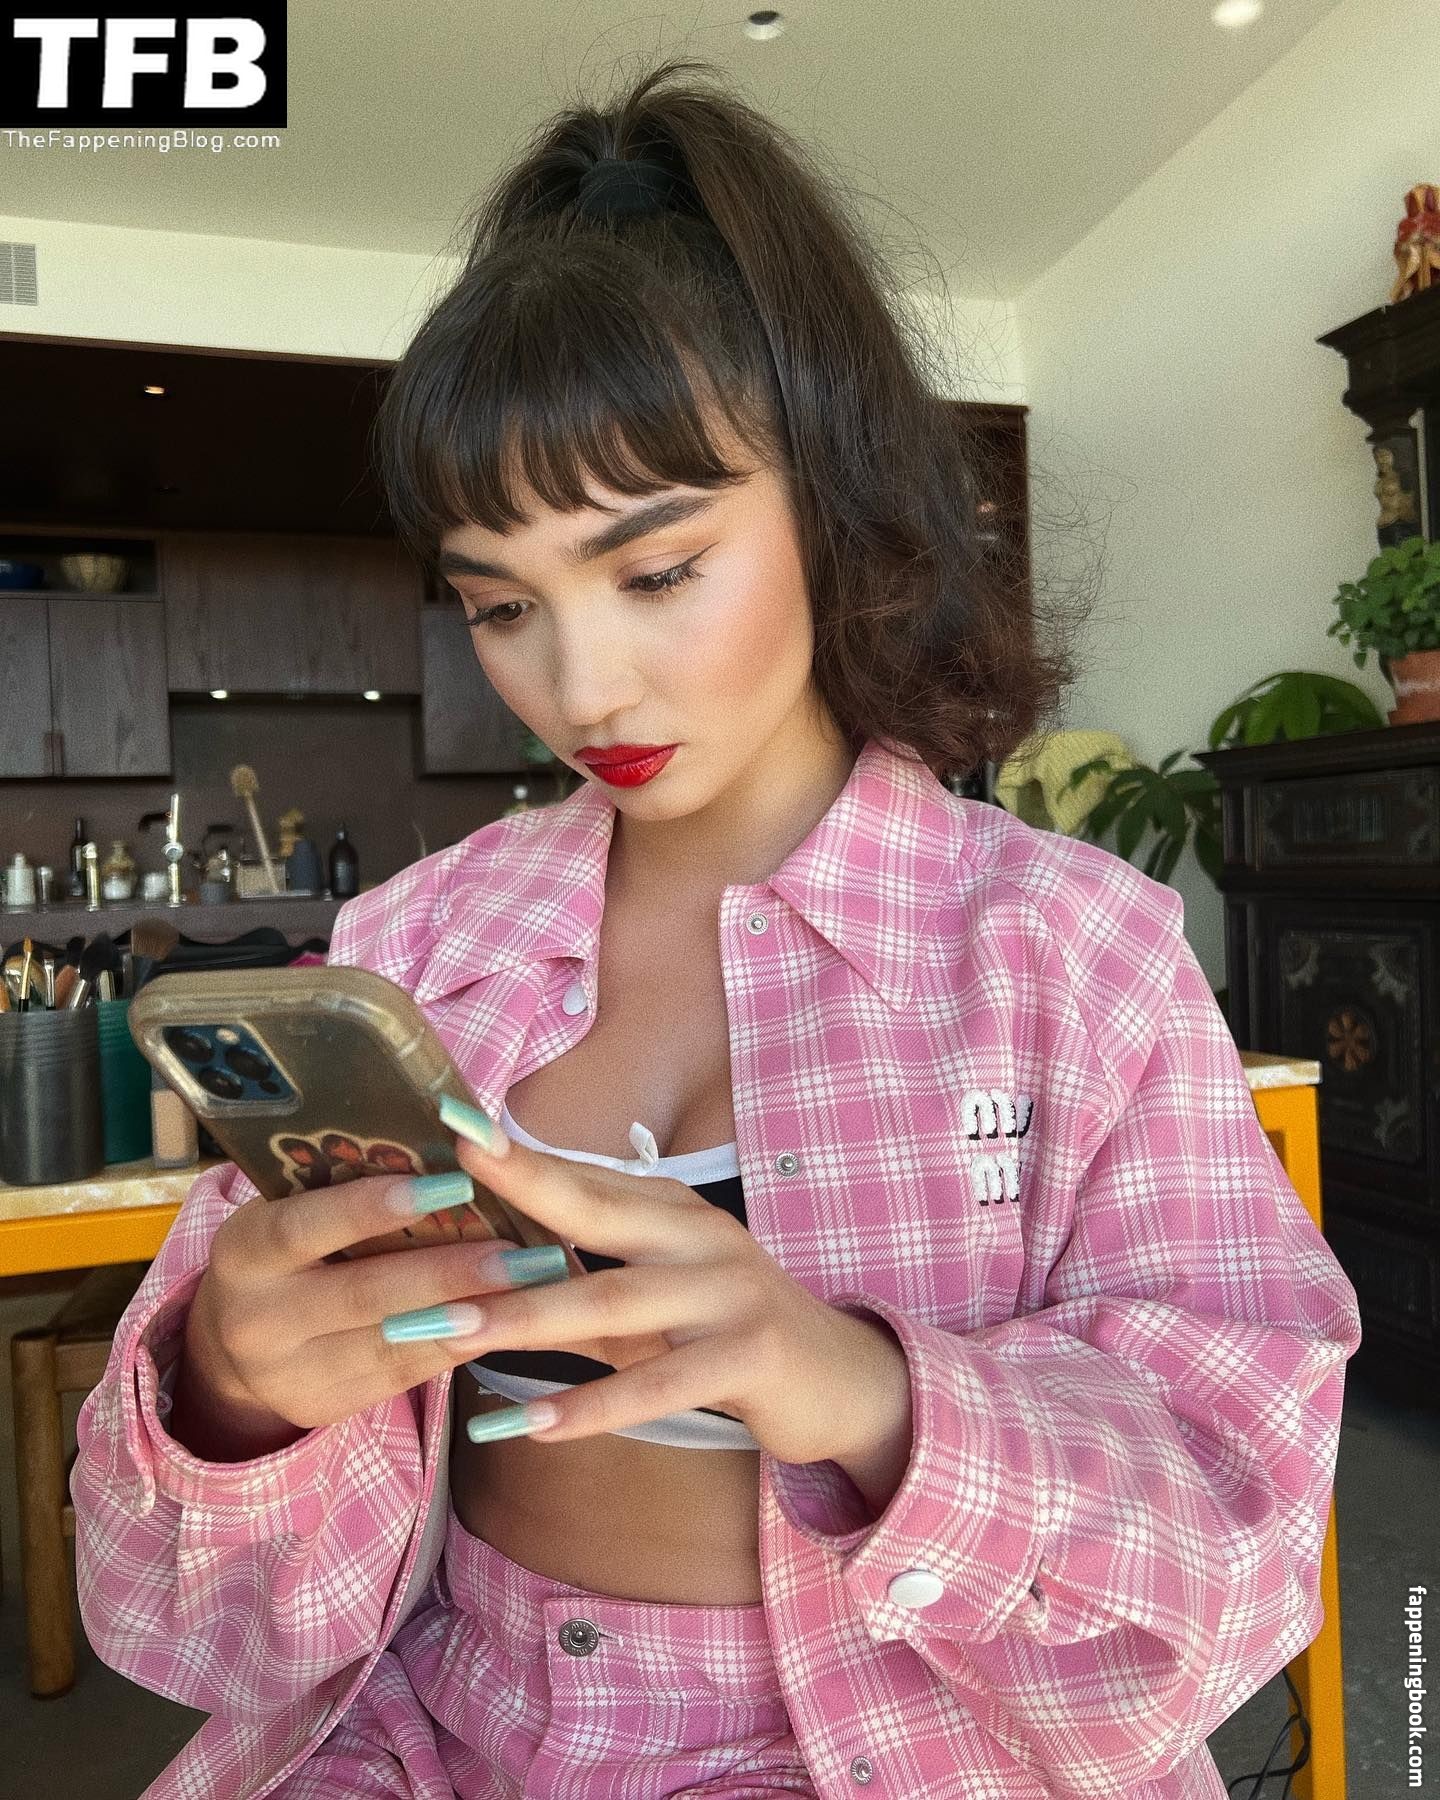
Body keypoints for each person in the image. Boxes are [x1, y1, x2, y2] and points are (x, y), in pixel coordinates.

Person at [72, 57, 1362, 1800]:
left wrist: (859, 1390)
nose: (582, 686)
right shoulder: (414, 945)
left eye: (657, 570)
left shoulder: (1071, 955)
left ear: (832, 503)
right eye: (502, 605)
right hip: (444, 1736)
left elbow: (1242, 1533)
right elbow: (194, 1618)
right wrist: (232, 1394)